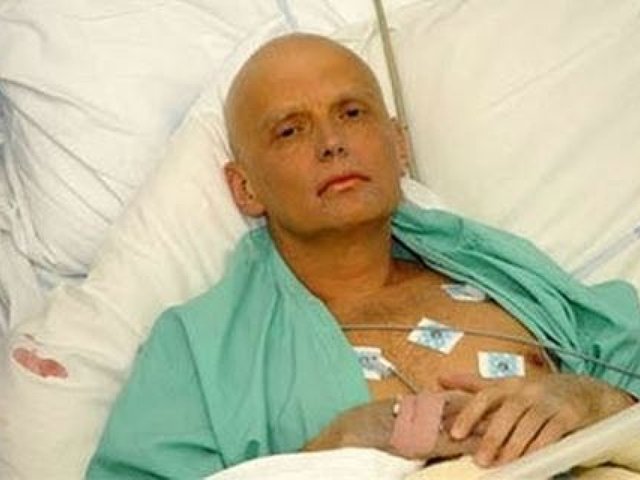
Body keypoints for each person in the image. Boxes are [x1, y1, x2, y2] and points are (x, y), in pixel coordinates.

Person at [86, 33, 640, 478]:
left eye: (351, 113)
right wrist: (330, 454)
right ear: (245, 188)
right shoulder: (199, 349)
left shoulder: (506, 275)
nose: (332, 142)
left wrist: (597, 403)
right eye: (290, 130)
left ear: (399, 146)